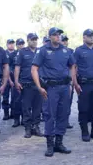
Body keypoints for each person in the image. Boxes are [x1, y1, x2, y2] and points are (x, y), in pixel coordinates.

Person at [31, 27, 76, 157]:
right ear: (50, 36)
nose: (58, 37)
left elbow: (72, 65)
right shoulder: (43, 51)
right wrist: (39, 87)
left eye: (60, 35)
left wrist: (71, 82)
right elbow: (34, 69)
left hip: (64, 87)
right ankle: (50, 145)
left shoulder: (66, 50)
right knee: (50, 115)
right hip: (50, 88)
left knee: (63, 114)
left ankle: (59, 142)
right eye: (55, 35)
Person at [14, 33, 43, 138]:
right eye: (32, 39)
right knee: (26, 108)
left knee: (37, 107)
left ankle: (36, 127)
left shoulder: (41, 51)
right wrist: (16, 81)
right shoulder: (22, 52)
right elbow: (17, 67)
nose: (34, 41)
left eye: (36, 39)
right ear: (28, 40)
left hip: (38, 84)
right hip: (26, 84)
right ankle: (28, 128)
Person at [60, 34, 74, 129]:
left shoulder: (71, 51)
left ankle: (66, 121)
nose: (65, 42)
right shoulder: (54, 52)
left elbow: (73, 66)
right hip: (57, 82)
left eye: (66, 40)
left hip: (68, 81)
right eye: (63, 40)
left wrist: (72, 81)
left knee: (67, 102)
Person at [11, 38, 25, 127]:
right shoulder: (13, 55)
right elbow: (9, 67)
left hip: (25, 80)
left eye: (22, 44)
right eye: (19, 44)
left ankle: (24, 119)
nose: (21, 45)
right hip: (15, 80)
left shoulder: (26, 53)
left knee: (25, 101)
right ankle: (16, 119)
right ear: (16, 45)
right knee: (16, 101)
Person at [2, 39, 15, 120]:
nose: (11, 45)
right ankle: (6, 113)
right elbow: (3, 67)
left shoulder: (17, 53)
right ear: (7, 44)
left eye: (12, 43)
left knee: (14, 98)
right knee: (5, 97)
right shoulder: (3, 53)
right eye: (10, 43)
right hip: (5, 79)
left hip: (15, 78)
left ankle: (13, 113)